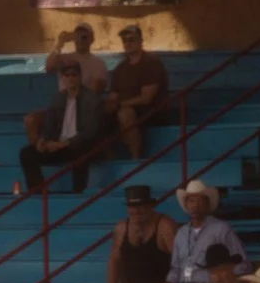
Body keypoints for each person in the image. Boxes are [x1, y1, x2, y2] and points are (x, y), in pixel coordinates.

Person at [140, 180, 243, 283]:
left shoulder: (221, 229)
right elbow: (176, 266)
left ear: (207, 204)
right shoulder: (181, 233)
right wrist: (169, 282)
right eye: (191, 201)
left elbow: (241, 263)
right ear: (186, 205)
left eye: (199, 201)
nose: (195, 205)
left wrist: (223, 280)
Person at [83, 187, 175, 283]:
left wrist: (170, 282)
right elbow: (114, 260)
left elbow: (181, 259)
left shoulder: (164, 225)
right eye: (132, 207)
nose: (137, 211)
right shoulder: (121, 228)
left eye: (141, 206)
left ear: (150, 206)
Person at [19, 58, 107, 193]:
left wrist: (64, 144)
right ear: (62, 78)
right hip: (60, 145)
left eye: (74, 75)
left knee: (81, 151)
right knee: (27, 153)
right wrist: (44, 140)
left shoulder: (91, 99)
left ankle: (77, 192)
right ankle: (38, 191)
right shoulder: (58, 98)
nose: (71, 78)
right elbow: (49, 124)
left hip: (81, 144)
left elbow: (90, 132)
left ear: (80, 76)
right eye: (67, 75)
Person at [107, 23, 170, 157]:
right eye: (125, 40)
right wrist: (109, 106)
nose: (128, 43)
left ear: (140, 41)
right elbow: (113, 95)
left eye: (132, 39)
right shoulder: (120, 68)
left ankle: (135, 159)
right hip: (125, 109)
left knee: (125, 114)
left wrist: (120, 105)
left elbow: (146, 98)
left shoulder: (151, 63)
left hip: (151, 111)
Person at [50, 22, 109, 92]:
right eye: (77, 36)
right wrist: (60, 44)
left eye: (84, 37)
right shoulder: (64, 59)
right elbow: (49, 67)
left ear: (92, 39)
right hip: (65, 101)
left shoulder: (99, 64)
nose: (80, 40)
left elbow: (96, 90)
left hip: (85, 102)